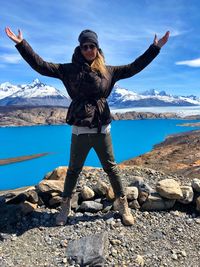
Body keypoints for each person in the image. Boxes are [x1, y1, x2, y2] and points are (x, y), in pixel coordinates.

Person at [5, 27, 169, 226]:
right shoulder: (69, 70)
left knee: (111, 168)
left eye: (92, 46)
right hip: (80, 131)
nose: (89, 50)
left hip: (102, 130)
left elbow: (135, 66)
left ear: (98, 48)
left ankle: (122, 203)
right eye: (85, 46)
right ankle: (65, 206)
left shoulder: (109, 71)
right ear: (80, 48)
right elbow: (41, 65)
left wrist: (155, 48)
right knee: (74, 170)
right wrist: (22, 45)